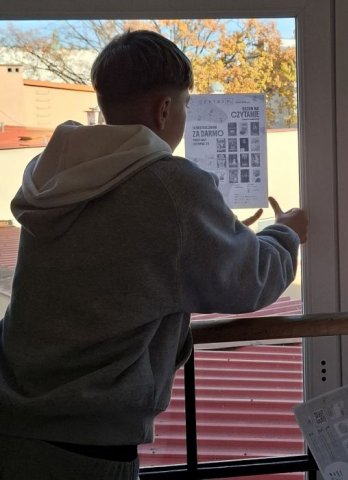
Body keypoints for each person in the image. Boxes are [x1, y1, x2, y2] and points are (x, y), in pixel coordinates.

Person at [0, 30, 307, 479]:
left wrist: (206, 237)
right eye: (185, 104)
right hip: (89, 447)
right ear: (164, 109)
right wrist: (287, 233)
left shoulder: (56, 172)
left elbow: (122, 254)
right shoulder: (169, 185)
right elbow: (250, 280)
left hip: (14, 427)